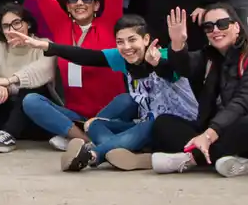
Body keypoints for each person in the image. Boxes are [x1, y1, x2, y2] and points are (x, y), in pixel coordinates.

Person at [11, 11, 196, 171]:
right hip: (145, 127)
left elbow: (176, 68)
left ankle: (91, 155)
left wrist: (163, 58)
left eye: (132, 40)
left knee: (151, 122)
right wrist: (46, 46)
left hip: (177, 129)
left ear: (146, 39)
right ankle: (128, 153)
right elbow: (87, 56)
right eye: (120, 42)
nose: (126, 47)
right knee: (94, 124)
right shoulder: (123, 57)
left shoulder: (162, 56)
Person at [15, 0, 127, 156]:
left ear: (97, 4)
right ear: (67, 5)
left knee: (127, 101)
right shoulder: (61, 26)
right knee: (32, 101)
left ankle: (86, 139)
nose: (80, 2)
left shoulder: (109, 23)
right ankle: (86, 140)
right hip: (77, 117)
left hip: (111, 113)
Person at [149, 2, 248, 177]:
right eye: (208, 27)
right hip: (213, 131)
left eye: (222, 24)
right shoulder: (208, 56)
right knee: (163, 123)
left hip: (245, 133)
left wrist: (209, 135)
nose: (215, 30)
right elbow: (183, 67)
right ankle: (225, 159)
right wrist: (178, 43)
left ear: (237, 27)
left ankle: (190, 159)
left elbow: (242, 102)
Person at [0, 1, 53, 153]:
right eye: (6, 26)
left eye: (17, 23)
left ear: (29, 24)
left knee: (31, 89)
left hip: (31, 118)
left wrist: (8, 82)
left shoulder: (43, 45)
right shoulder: (0, 47)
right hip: (3, 114)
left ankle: (9, 135)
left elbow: (41, 71)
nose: (12, 30)